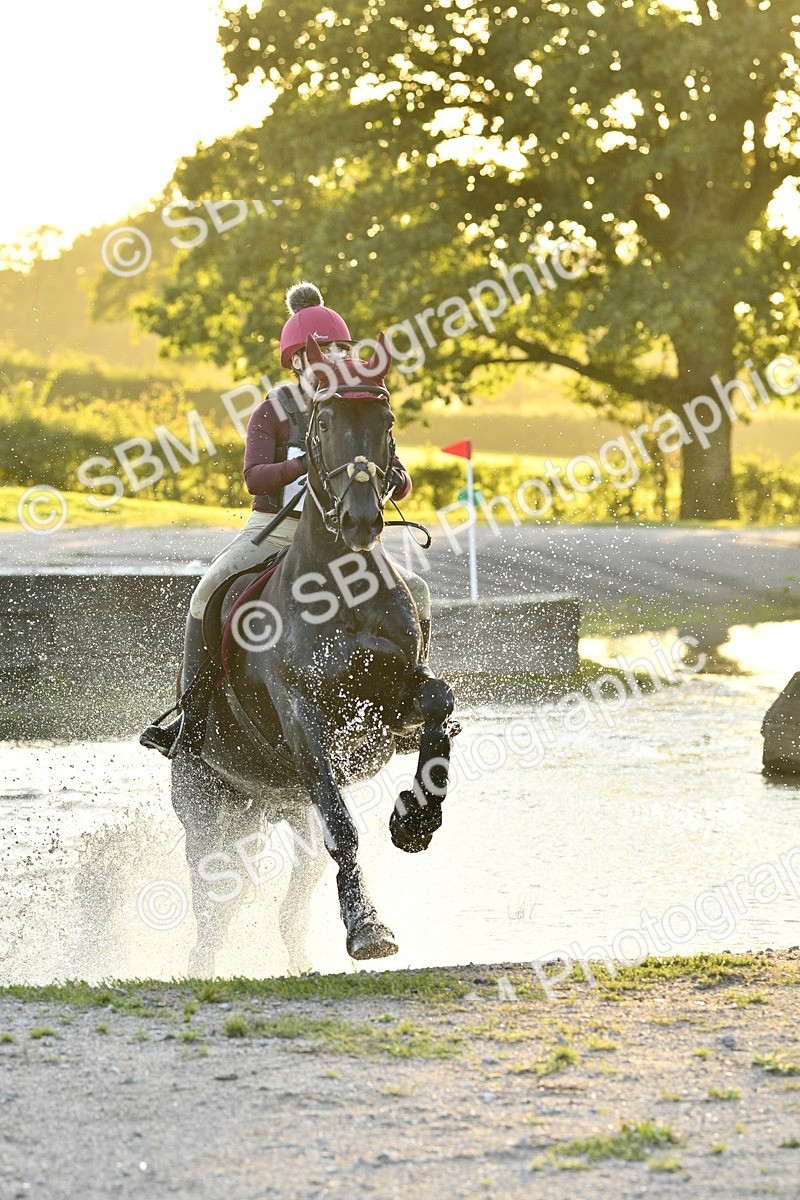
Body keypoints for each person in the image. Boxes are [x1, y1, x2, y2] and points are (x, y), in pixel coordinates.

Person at [140, 282, 431, 759]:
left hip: (337, 534)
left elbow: (393, 467)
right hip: (274, 530)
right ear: (297, 361)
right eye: (324, 353)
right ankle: (190, 719)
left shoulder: (353, 402)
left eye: (341, 351)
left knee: (415, 589)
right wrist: (304, 465)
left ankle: (408, 706)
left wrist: (395, 480)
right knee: (207, 592)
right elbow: (254, 478)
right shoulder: (273, 412)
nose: (334, 359)